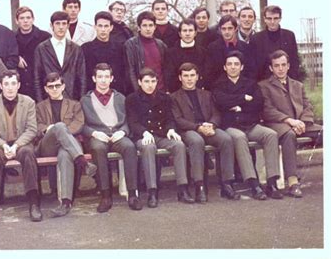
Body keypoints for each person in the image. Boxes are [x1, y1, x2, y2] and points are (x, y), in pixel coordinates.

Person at [212, 51, 283, 200]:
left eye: (236, 64)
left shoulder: (250, 83)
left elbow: (258, 104)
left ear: (242, 66)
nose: (233, 67)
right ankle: (253, 184)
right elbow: (220, 101)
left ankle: (272, 183)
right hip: (230, 126)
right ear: (224, 67)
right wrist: (244, 98)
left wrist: (238, 106)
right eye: (229, 64)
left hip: (250, 123)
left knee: (271, 135)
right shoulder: (218, 84)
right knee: (239, 138)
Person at [170, 63, 239, 203]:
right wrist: (198, 127)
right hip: (189, 131)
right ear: (180, 78)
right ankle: (199, 186)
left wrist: (212, 125)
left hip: (209, 128)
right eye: (186, 76)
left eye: (192, 76)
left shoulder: (207, 94)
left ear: (197, 77)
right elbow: (178, 120)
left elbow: (216, 114)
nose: (189, 79)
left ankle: (227, 184)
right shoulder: (174, 97)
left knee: (226, 139)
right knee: (197, 141)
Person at [125, 68, 194, 206]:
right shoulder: (132, 99)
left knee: (179, 145)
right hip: (142, 136)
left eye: (153, 81)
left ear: (157, 82)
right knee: (149, 147)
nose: (150, 85)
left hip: (162, 134)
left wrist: (171, 130)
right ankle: (152, 192)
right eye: (146, 82)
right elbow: (132, 122)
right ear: (139, 82)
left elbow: (170, 118)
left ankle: (183, 189)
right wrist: (144, 132)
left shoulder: (164, 98)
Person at [258, 50, 323, 198]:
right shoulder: (264, 86)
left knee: (324, 132)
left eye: (283, 65)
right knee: (289, 135)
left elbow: (308, 106)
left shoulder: (297, 85)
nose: (280, 68)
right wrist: (289, 121)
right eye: (276, 66)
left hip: (301, 123)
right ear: (271, 68)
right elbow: (267, 110)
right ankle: (293, 182)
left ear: (288, 66)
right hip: (278, 123)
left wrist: (303, 122)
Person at [80, 63, 143, 212]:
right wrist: (94, 133)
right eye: (100, 77)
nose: (103, 80)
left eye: (106, 77)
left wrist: (123, 131)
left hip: (117, 134)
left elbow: (130, 120)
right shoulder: (85, 100)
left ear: (112, 78)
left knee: (129, 147)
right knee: (98, 148)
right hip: (97, 135)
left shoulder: (121, 98)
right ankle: (105, 195)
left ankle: (133, 194)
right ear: (94, 78)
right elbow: (80, 124)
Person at [0, 70, 41, 225]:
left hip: (21, 143)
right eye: (6, 84)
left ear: (19, 85)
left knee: (28, 153)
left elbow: (31, 129)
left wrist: (16, 145)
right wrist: (2, 145)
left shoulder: (28, 102)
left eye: (13, 83)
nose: (10, 88)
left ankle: (34, 204)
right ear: (0, 85)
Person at [36, 72, 97, 217]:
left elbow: (79, 124)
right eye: (51, 86)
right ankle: (83, 162)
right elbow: (36, 126)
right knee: (59, 126)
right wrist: (54, 129)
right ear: (45, 89)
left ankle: (65, 202)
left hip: (68, 147)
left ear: (63, 86)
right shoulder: (39, 107)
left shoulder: (75, 105)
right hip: (48, 145)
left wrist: (63, 133)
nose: (54, 89)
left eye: (57, 85)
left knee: (65, 155)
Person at [33, 11, 86, 102]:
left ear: (68, 26)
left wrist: (81, 101)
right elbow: (36, 78)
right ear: (51, 25)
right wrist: (40, 102)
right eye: (57, 24)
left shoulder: (76, 49)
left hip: (71, 99)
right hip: (48, 100)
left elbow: (82, 77)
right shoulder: (41, 48)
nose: (61, 27)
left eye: (64, 24)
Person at [249, 5, 300, 81]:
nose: (272, 22)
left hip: (286, 83)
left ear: (280, 19)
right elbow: (253, 66)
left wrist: (292, 82)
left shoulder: (289, 36)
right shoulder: (255, 39)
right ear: (264, 19)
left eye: (275, 18)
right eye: (269, 18)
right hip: (264, 83)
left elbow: (294, 61)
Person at [203, 15, 255, 89]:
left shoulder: (246, 47)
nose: (227, 32)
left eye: (230, 28)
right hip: (219, 89)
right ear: (220, 30)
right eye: (224, 29)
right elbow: (209, 73)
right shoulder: (212, 48)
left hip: (243, 89)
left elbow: (251, 71)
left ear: (236, 29)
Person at [81, 11, 127, 94]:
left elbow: (122, 74)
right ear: (95, 27)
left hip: (115, 93)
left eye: (106, 26)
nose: (103, 29)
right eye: (100, 26)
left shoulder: (120, 48)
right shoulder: (85, 49)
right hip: (92, 94)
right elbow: (83, 76)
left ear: (111, 27)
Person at [124, 11, 167, 92]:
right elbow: (131, 70)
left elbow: (165, 69)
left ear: (155, 27)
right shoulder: (131, 44)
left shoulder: (161, 44)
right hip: (141, 92)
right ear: (139, 27)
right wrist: (138, 92)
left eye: (150, 25)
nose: (148, 29)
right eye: (144, 25)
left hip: (160, 91)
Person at [15, 6, 51, 99]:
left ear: (33, 19)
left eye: (28, 17)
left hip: (41, 86)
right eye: (22, 18)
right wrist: (16, 58)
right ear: (17, 21)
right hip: (20, 87)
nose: (25, 21)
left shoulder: (45, 37)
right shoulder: (12, 38)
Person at [165, 18, 206, 92]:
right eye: (184, 30)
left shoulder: (203, 52)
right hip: (177, 94)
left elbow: (205, 75)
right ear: (180, 33)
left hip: (199, 93)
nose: (187, 33)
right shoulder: (170, 53)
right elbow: (169, 76)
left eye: (190, 30)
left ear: (195, 33)